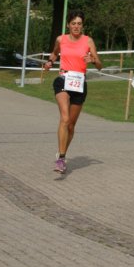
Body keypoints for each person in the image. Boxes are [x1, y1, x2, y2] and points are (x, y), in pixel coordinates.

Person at [43, 10, 102, 173]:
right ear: (68, 25)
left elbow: (99, 65)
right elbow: (55, 53)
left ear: (82, 26)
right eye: (73, 23)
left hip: (79, 83)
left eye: (79, 24)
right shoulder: (60, 39)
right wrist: (49, 62)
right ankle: (61, 159)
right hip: (63, 80)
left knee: (71, 125)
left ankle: (62, 153)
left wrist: (93, 60)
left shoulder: (88, 41)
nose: (76, 26)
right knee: (65, 117)